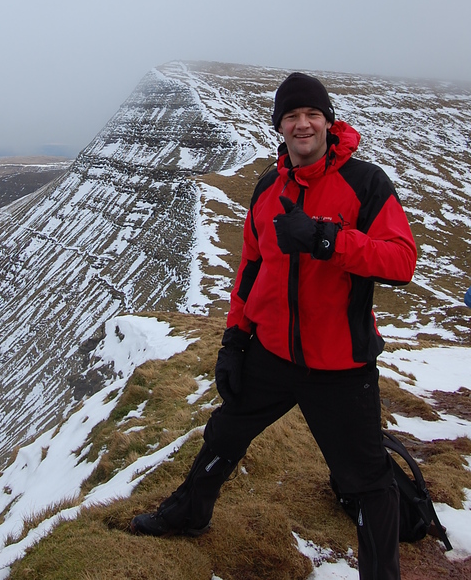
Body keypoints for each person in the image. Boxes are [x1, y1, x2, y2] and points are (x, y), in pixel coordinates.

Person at [130, 72, 418, 580]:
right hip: (271, 353)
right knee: (224, 433)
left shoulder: (365, 183)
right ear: (280, 126)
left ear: (328, 121)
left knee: (367, 479)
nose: (302, 124)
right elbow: (251, 268)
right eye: (292, 116)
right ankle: (189, 515)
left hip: (341, 363)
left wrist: (327, 240)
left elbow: (401, 262)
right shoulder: (268, 188)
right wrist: (235, 340)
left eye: (312, 115)